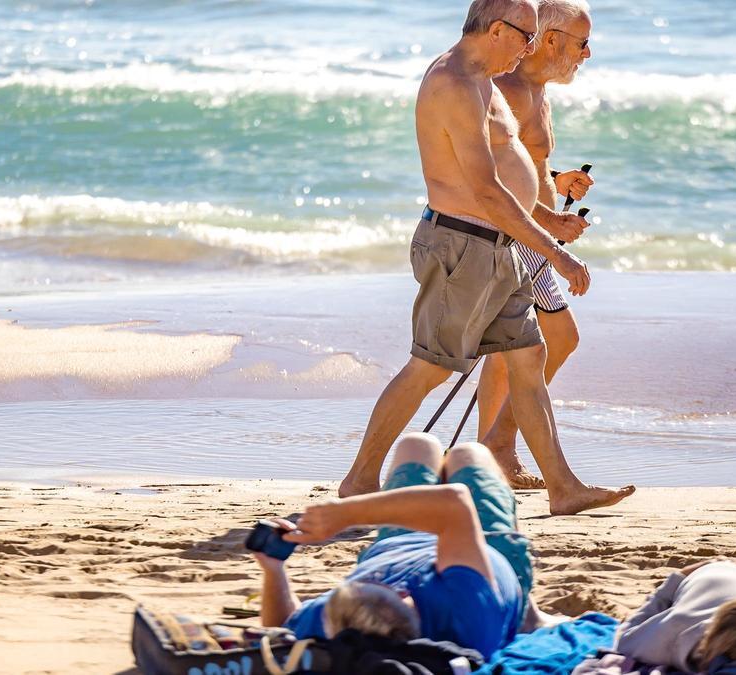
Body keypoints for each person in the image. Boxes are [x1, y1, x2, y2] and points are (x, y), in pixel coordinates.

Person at [337, 0, 634, 516]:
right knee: (430, 367)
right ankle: (360, 480)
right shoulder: (454, 83)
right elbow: (488, 191)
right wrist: (556, 254)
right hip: (464, 245)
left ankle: (563, 489)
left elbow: (510, 173)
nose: (529, 48)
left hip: (499, 246)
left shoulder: (484, 79)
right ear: (497, 29)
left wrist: (547, 210)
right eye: (525, 36)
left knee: (529, 357)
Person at [253, 433, 532, 658]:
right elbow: (456, 503)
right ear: (401, 593)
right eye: (375, 580)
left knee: (417, 444)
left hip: (400, 541)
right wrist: (344, 514)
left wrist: (273, 570)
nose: (372, 577)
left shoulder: (343, 622)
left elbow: (280, 627)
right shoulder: (464, 612)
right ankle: (528, 609)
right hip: (483, 552)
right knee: (470, 453)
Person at [477, 0, 595, 489]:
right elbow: (484, 173)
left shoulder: (535, 92)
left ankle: (491, 457)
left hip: (530, 235)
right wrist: (548, 225)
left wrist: (555, 178)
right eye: (582, 43)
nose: (587, 55)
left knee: (508, 350)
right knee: (558, 339)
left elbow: (522, 165)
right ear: (551, 41)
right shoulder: (509, 90)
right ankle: (497, 447)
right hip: (521, 238)